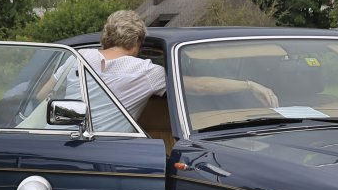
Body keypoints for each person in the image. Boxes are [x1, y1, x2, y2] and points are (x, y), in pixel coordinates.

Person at [82, 10, 278, 117]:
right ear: (136, 42)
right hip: (111, 150)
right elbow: (201, 86)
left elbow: (55, 92)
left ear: (106, 38)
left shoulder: (78, 57)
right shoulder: (147, 72)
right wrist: (248, 85)